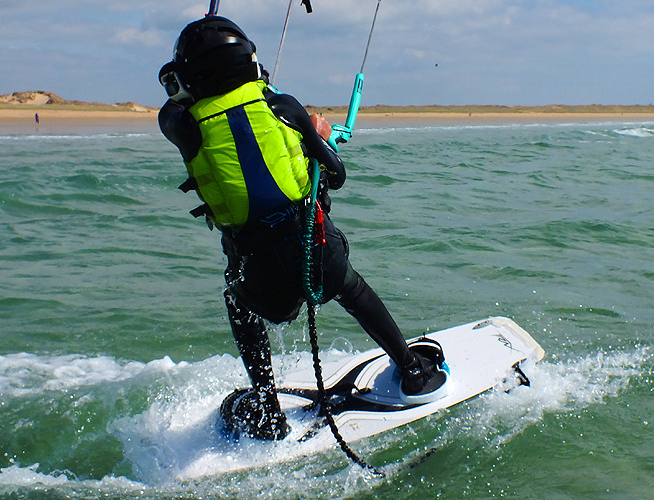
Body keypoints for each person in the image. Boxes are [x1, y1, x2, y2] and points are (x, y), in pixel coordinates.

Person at [157, 15, 447, 440]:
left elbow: (171, 104)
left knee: (237, 304)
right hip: (316, 258)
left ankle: (268, 408)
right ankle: (410, 369)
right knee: (352, 288)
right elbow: (337, 173)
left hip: (259, 278)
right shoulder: (283, 106)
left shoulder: (183, 126)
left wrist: (177, 78)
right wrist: (319, 136)